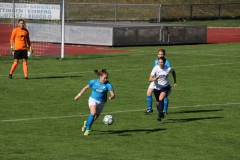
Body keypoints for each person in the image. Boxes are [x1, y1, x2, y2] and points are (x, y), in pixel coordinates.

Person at [74, 69, 115, 136]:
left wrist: (111, 97)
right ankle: (88, 130)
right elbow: (86, 88)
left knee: (95, 117)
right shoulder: (93, 82)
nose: (106, 79)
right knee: (93, 113)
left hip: (102, 102)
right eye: (104, 78)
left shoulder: (108, 84)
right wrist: (79, 95)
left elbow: (113, 94)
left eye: (106, 78)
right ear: (100, 77)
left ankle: (86, 123)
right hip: (93, 99)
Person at [149, 57, 177, 121]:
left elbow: (173, 72)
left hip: (166, 87)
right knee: (158, 102)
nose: (160, 63)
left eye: (161, 62)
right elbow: (150, 79)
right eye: (159, 62)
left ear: (164, 62)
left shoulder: (168, 68)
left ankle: (159, 115)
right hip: (157, 87)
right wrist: (155, 79)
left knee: (161, 98)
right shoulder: (155, 68)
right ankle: (161, 112)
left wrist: (175, 81)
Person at [144, 49, 171, 115]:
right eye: (159, 54)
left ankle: (165, 110)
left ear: (164, 55)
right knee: (148, 93)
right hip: (155, 80)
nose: (160, 55)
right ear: (157, 54)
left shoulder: (167, 62)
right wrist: (154, 78)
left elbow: (168, 71)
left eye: (162, 54)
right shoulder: (156, 61)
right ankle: (150, 109)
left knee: (164, 96)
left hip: (162, 82)